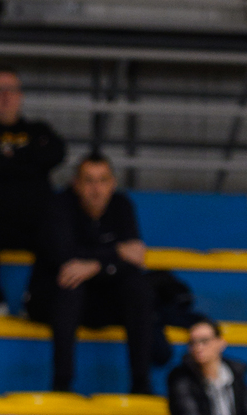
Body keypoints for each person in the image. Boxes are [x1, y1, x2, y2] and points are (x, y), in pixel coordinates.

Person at [28, 152, 153, 395]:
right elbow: (65, 257)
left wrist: (95, 264)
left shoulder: (122, 205)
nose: (96, 189)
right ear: (75, 184)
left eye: (103, 180)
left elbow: (135, 257)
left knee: (138, 287)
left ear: (113, 183)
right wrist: (115, 253)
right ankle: (62, 385)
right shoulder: (58, 206)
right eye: (89, 181)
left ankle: (141, 385)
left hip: (101, 301)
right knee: (71, 285)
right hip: (53, 302)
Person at [0, 66, 67, 313]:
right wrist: (30, 159)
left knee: (59, 227)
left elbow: (57, 153)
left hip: (33, 222)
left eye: (12, 90)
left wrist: (7, 160)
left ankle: (36, 301)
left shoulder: (39, 129)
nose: (6, 97)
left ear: (21, 96)